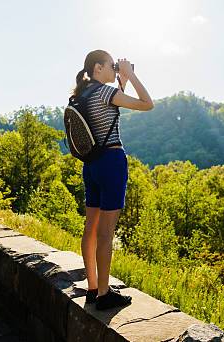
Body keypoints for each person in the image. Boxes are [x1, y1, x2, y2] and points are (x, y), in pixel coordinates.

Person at [74, 49, 154, 310]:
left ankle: (93, 287)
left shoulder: (82, 94)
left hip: (92, 165)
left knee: (91, 229)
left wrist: (122, 78)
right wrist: (131, 74)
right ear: (98, 68)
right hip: (112, 162)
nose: (114, 68)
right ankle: (105, 295)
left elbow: (111, 99)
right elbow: (146, 103)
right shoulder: (105, 93)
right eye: (111, 65)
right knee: (106, 233)